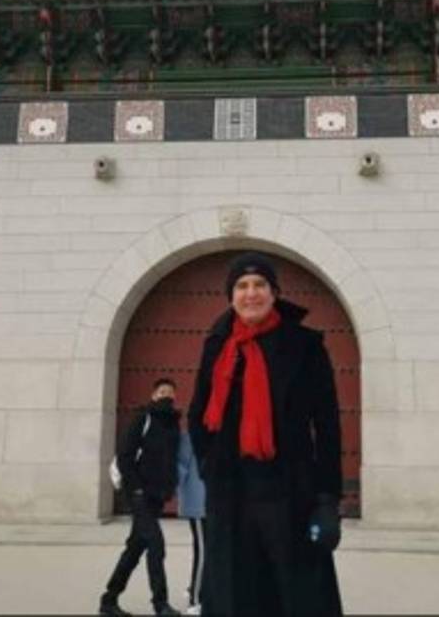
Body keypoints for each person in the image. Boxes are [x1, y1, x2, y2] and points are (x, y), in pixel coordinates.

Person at [189, 252, 344, 616]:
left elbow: (327, 425)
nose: (251, 293)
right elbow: (198, 414)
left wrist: (326, 500)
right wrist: (209, 467)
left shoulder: (305, 345)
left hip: (290, 492)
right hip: (232, 493)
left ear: (274, 293)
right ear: (231, 296)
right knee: (234, 593)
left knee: (297, 594)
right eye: (241, 286)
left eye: (260, 284)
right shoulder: (218, 344)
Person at [100, 378, 182, 617]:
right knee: (156, 544)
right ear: (153, 395)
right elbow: (125, 455)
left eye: (170, 391)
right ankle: (160, 604)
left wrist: (169, 488)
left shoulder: (173, 424)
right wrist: (135, 488)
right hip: (139, 495)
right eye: (162, 391)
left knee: (135, 549)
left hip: (157, 496)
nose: (166, 395)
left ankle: (109, 600)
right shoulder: (142, 418)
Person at [176, 430, 206, 615]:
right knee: (203, 551)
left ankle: (194, 590)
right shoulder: (191, 437)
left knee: (204, 550)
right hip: (198, 504)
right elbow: (180, 467)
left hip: (209, 503)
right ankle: (195, 600)